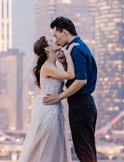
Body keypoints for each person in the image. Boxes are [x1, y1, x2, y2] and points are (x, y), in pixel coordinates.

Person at [43, 16, 98, 162]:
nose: (55, 40)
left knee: (83, 149)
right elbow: (77, 76)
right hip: (84, 104)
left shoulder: (76, 50)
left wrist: (59, 97)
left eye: (56, 35)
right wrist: (66, 64)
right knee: (86, 147)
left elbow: (81, 80)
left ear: (65, 32)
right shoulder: (78, 47)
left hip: (81, 104)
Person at [18, 36, 78, 162]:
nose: (55, 40)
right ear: (47, 49)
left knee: (52, 146)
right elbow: (71, 75)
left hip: (53, 109)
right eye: (51, 41)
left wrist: (64, 62)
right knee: (48, 147)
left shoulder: (53, 65)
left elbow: (67, 79)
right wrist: (68, 54)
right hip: (48, 111)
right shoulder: (48, 67)